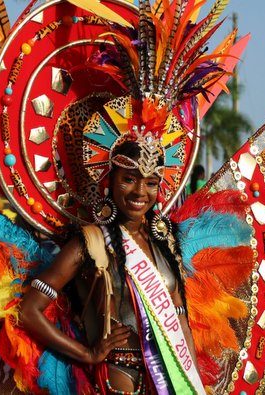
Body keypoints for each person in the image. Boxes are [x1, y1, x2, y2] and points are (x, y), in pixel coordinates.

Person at [19, 138, 200, 394]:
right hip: (120, 379)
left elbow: (180, 321)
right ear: (109, 182)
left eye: (150, 183)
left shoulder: (164, 242)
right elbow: (29, 310)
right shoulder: (89, 243)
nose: (140, 192)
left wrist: (192, 383)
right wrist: (86, 353)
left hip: (173, 379)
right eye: (129, 179)